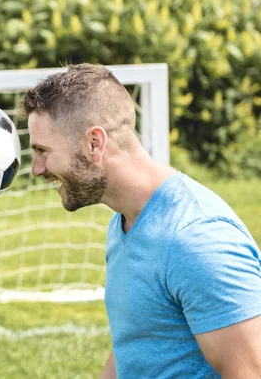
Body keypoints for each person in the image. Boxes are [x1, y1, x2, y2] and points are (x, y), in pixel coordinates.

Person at [18, 63, 261, 378]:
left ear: (95, 143)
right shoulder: (126, 218)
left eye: (43, 151)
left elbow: (250, 371)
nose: (36, 169)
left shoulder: (195, 239)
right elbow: (137, 343)